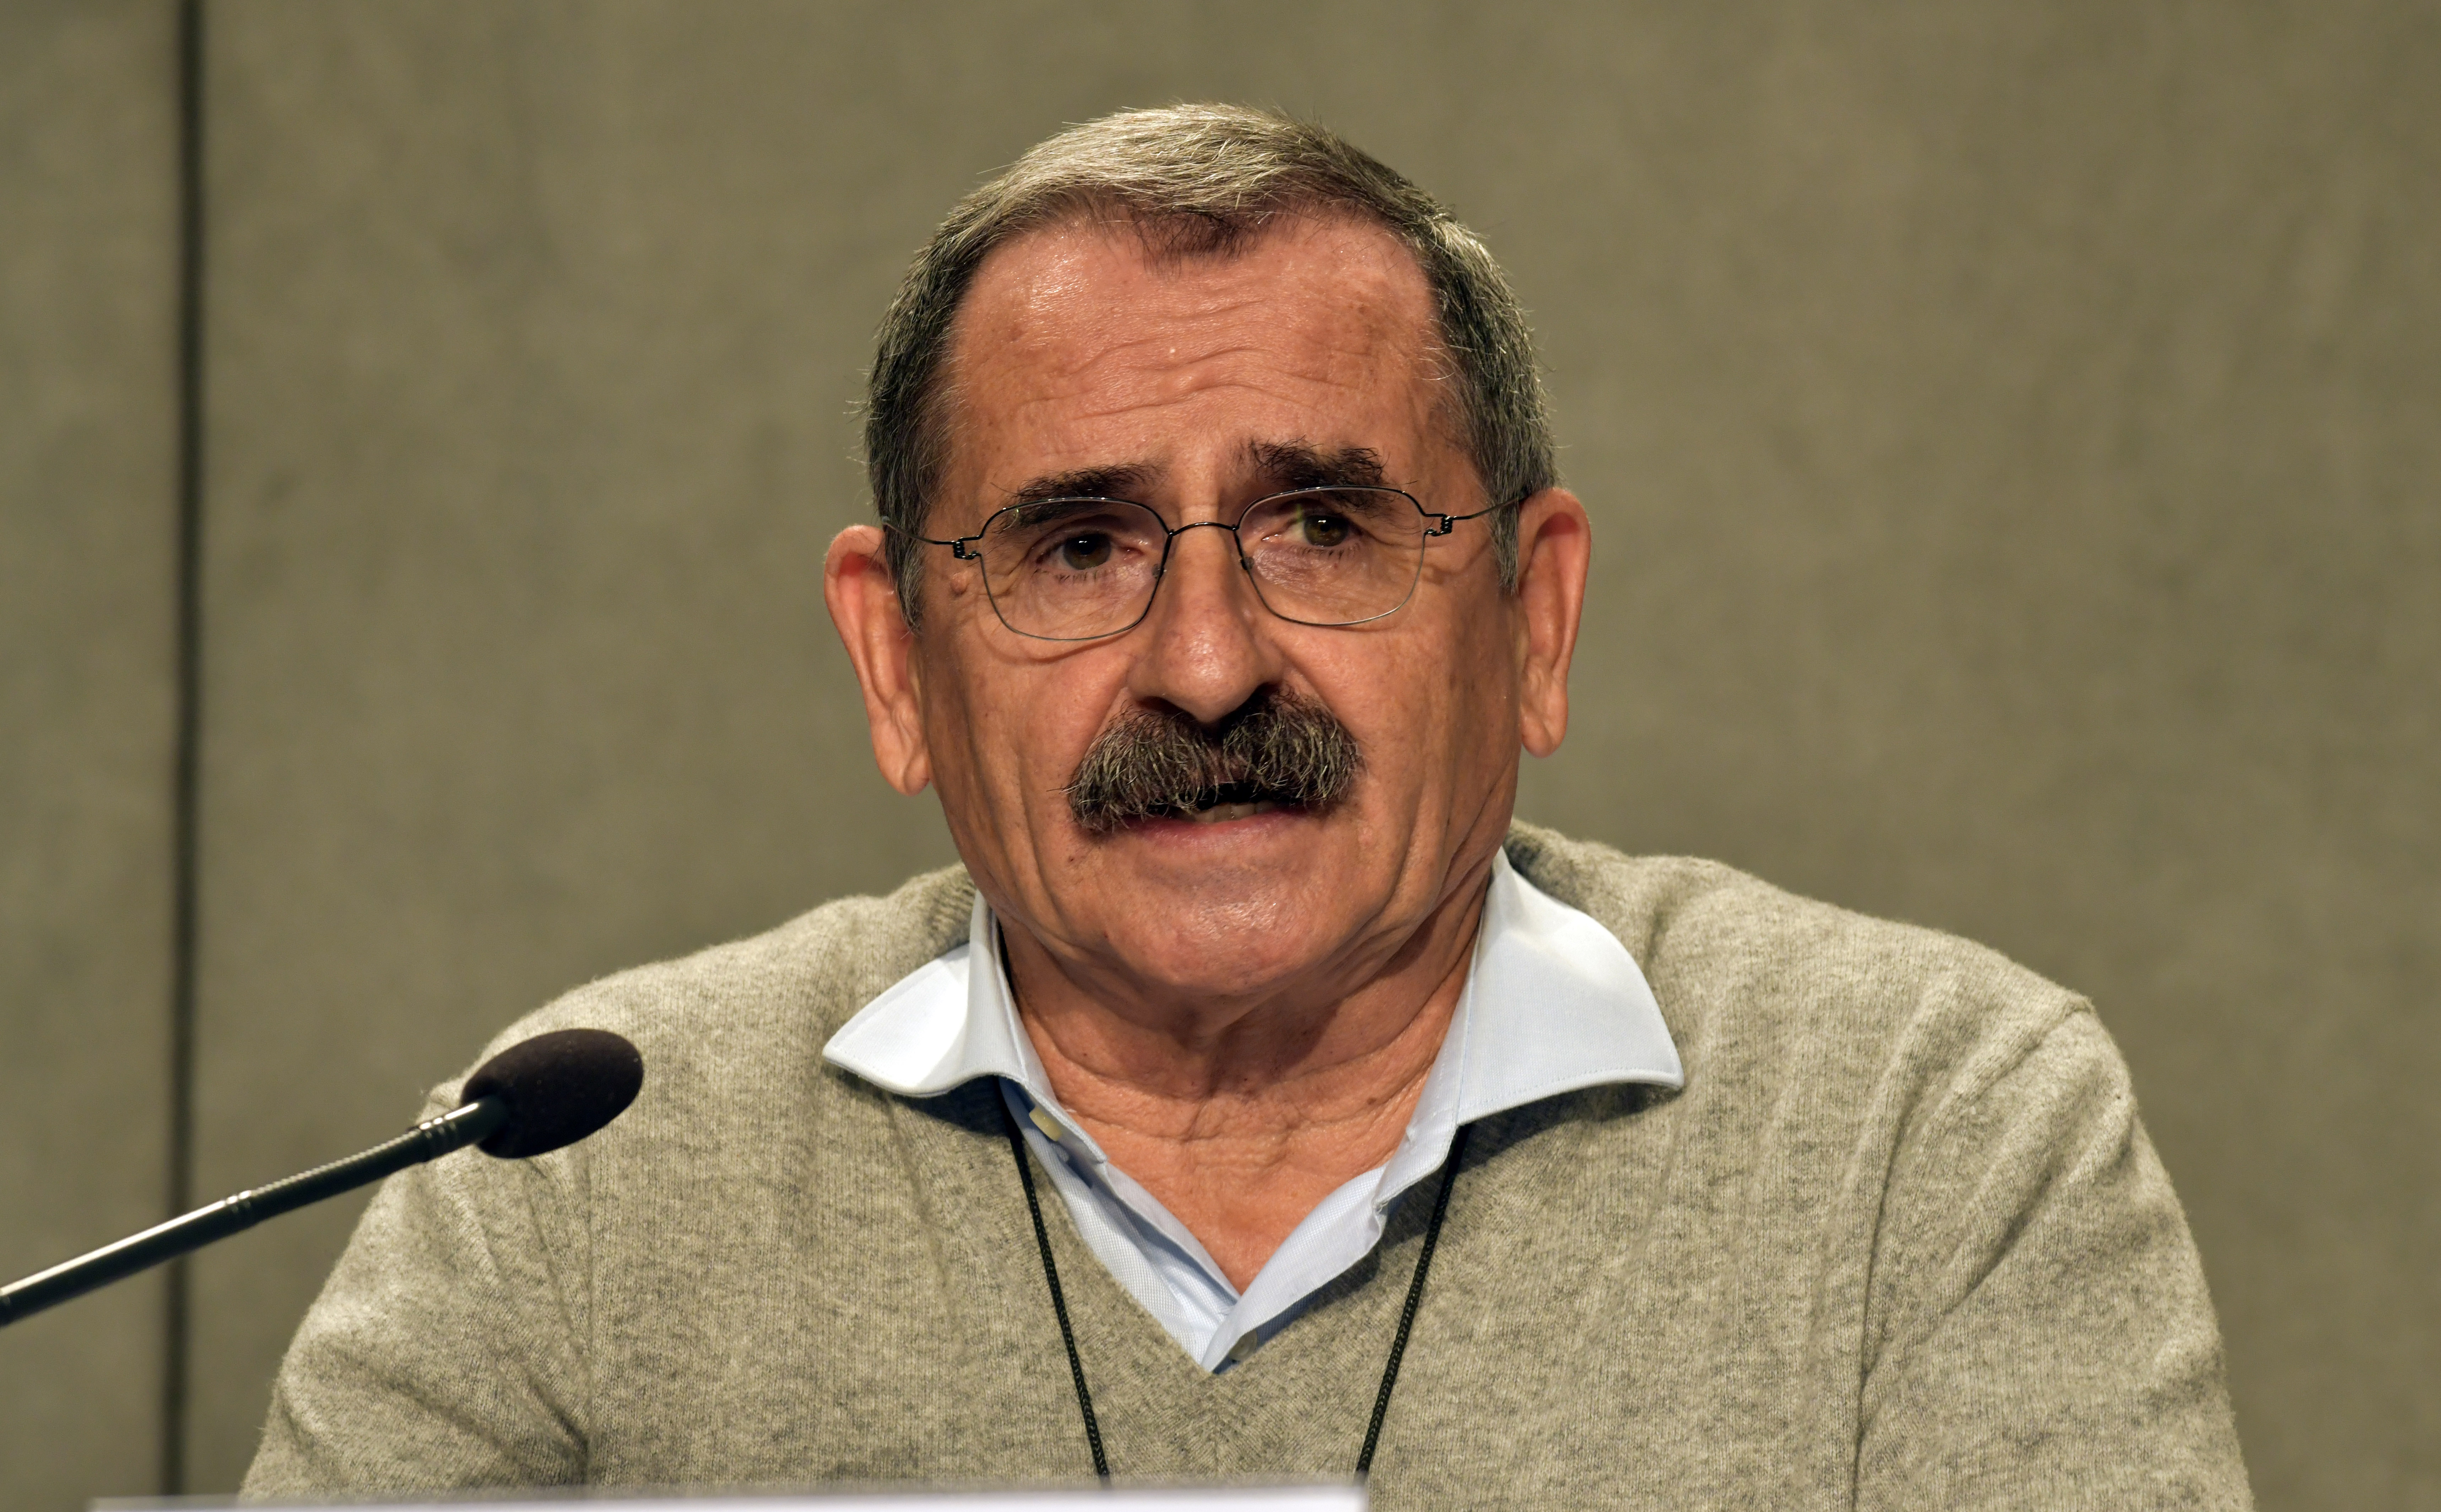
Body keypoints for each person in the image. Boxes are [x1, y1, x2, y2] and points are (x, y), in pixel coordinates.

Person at [244, 105, 2251, 1508]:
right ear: (895, 661)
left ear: (1535, 618)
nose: (1207, 666)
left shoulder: (1930, 1131)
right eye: (1077, 545)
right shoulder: (574, 1183)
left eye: (1324, 526)